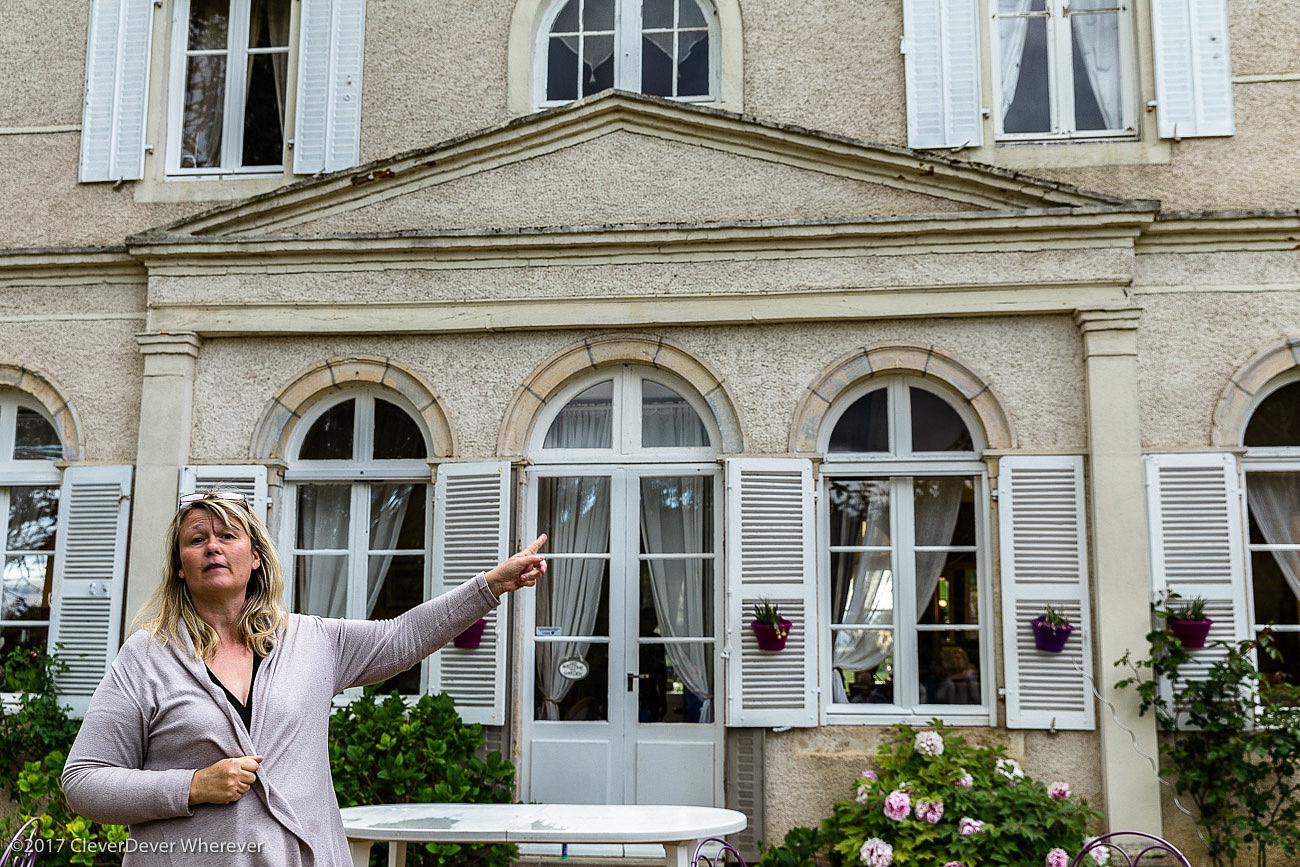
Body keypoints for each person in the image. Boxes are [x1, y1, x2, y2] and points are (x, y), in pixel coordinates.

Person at [61, 489, 546, 866]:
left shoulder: (313, 641)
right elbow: (83, 782)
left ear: (254, 557)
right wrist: (191, 786)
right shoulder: (147, 657)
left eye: (228, 536)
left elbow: (402, 637)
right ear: (180, 568)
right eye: (196, 539)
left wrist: (490, 586)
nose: (213, 546)